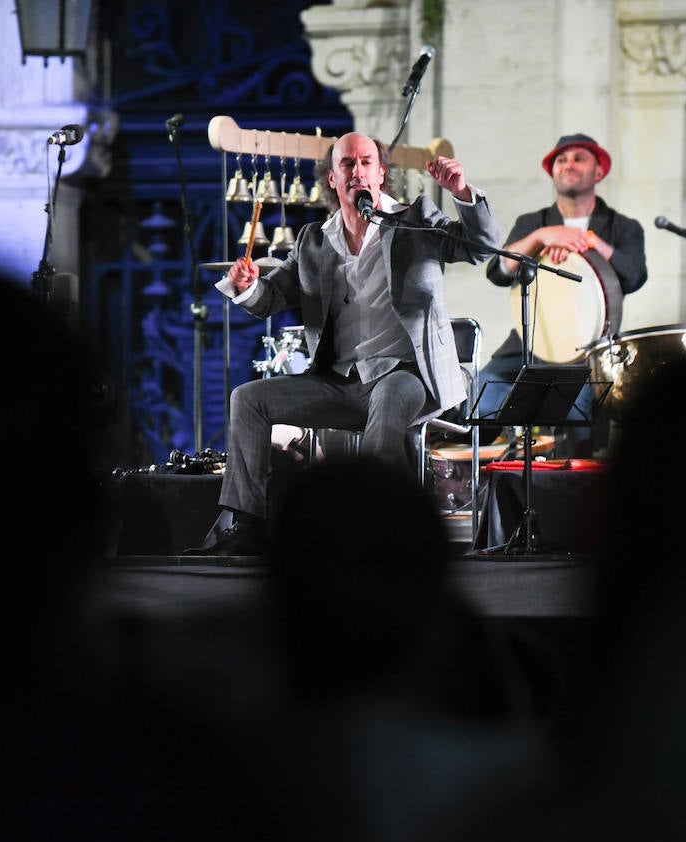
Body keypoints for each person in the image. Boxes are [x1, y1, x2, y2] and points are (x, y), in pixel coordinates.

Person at [186, 131, 501, 556]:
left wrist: (460, 191)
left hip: (408, 375)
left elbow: (482, 249)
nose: (357, 171)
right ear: (333, 179)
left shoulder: (415, 222)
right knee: (249, 398)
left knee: (388, 398)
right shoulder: (314, 240)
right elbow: (271, 298)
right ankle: (243, 524)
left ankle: (368, 528)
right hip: (341, 382)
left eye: (366, 162)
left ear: (381, 173)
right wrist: (246, 286)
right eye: (347, 165)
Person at [480, 133, 647, 458]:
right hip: (529, 343)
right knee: (483, 396)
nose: (568, 164)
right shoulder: (533, 223)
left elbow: (635, 275)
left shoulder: (623, 227)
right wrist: (542, 237)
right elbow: (498, 272)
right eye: (561, 159)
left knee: (575, 423)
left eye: (578, 158)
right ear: (552, 172)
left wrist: (593, 243)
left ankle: (566, 497)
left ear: (598, 172)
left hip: (590, 352)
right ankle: (490, 484)